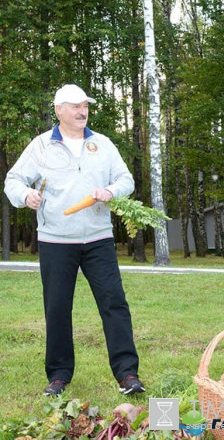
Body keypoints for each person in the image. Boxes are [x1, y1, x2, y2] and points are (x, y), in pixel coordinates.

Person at [4, 84, 145, 396]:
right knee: (57, 308)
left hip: (98, 239)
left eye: (85, 106)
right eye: (75, 106)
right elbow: (12, 180)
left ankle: (127, 374)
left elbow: (126, 180)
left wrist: (111, 191)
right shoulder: (40, 146)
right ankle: (59, 376)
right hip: (55, 240)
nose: (82, 111)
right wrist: (26, 194)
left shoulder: (103, 145)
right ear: (59, 111)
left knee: (114, 303)